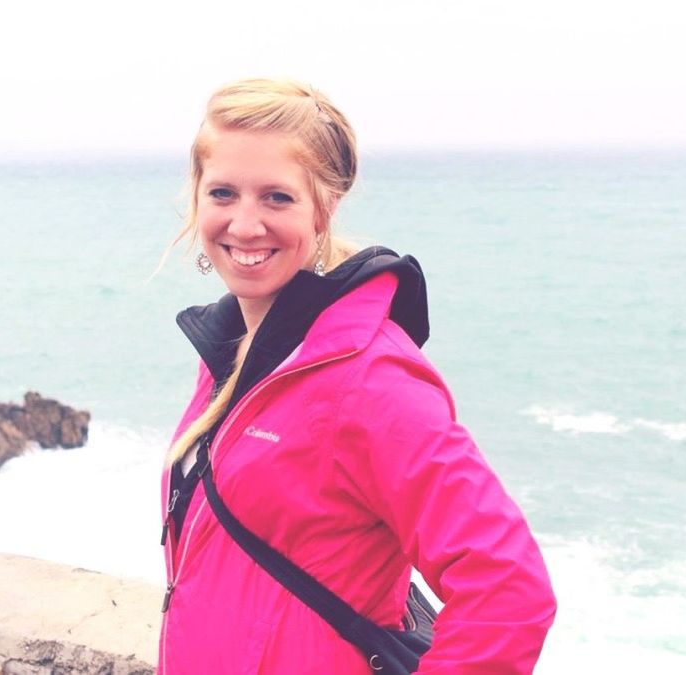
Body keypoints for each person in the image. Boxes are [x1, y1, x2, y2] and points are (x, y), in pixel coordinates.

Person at [157, 78, 556, 674]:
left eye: (277, 198)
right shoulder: (233, 350)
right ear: (196, 196)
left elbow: (509, 589)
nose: (243, 225)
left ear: (325, 207)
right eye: (222, 192)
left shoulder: (368, 379)